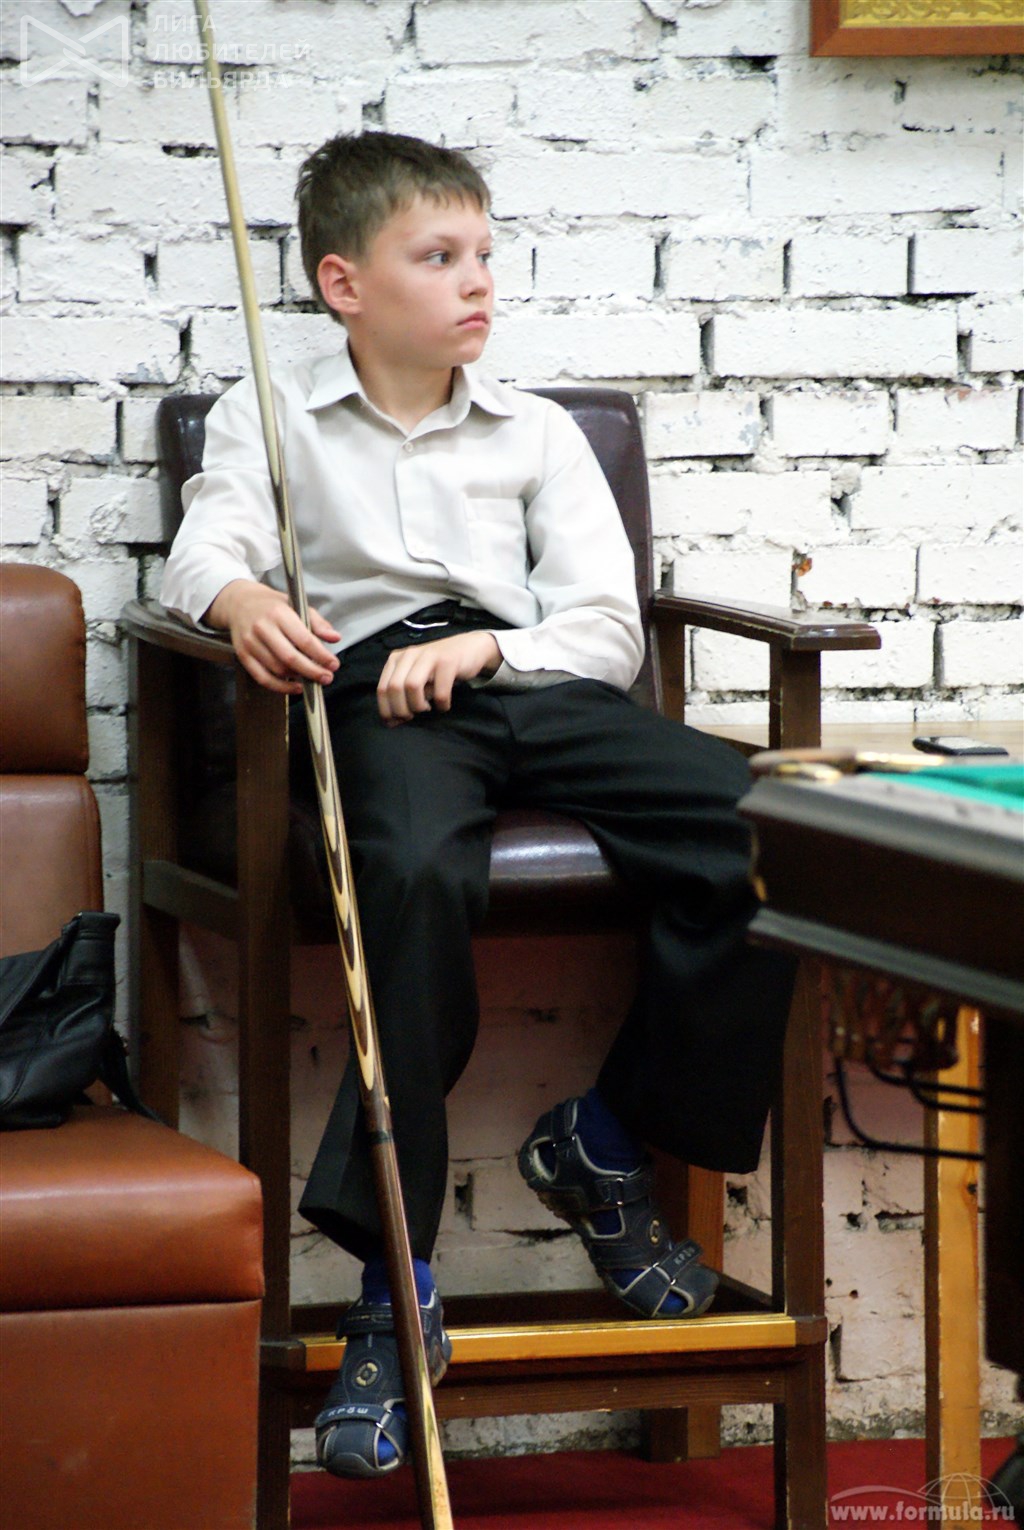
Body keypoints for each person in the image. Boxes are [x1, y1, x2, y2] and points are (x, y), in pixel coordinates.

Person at [160, 130, 795, 1481]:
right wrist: (246, 597)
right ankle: (395, 1287)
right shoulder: (273, 413)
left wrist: (491, 647)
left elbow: (606, 625)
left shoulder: (536, 430)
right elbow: (202, 548)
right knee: (412, 869)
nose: (476, 283)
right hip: (379, 699)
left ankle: (605, 1142)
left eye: (484, 256)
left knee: (773, 830)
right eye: (438, 256)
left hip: (530, 677)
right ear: (344, 283)